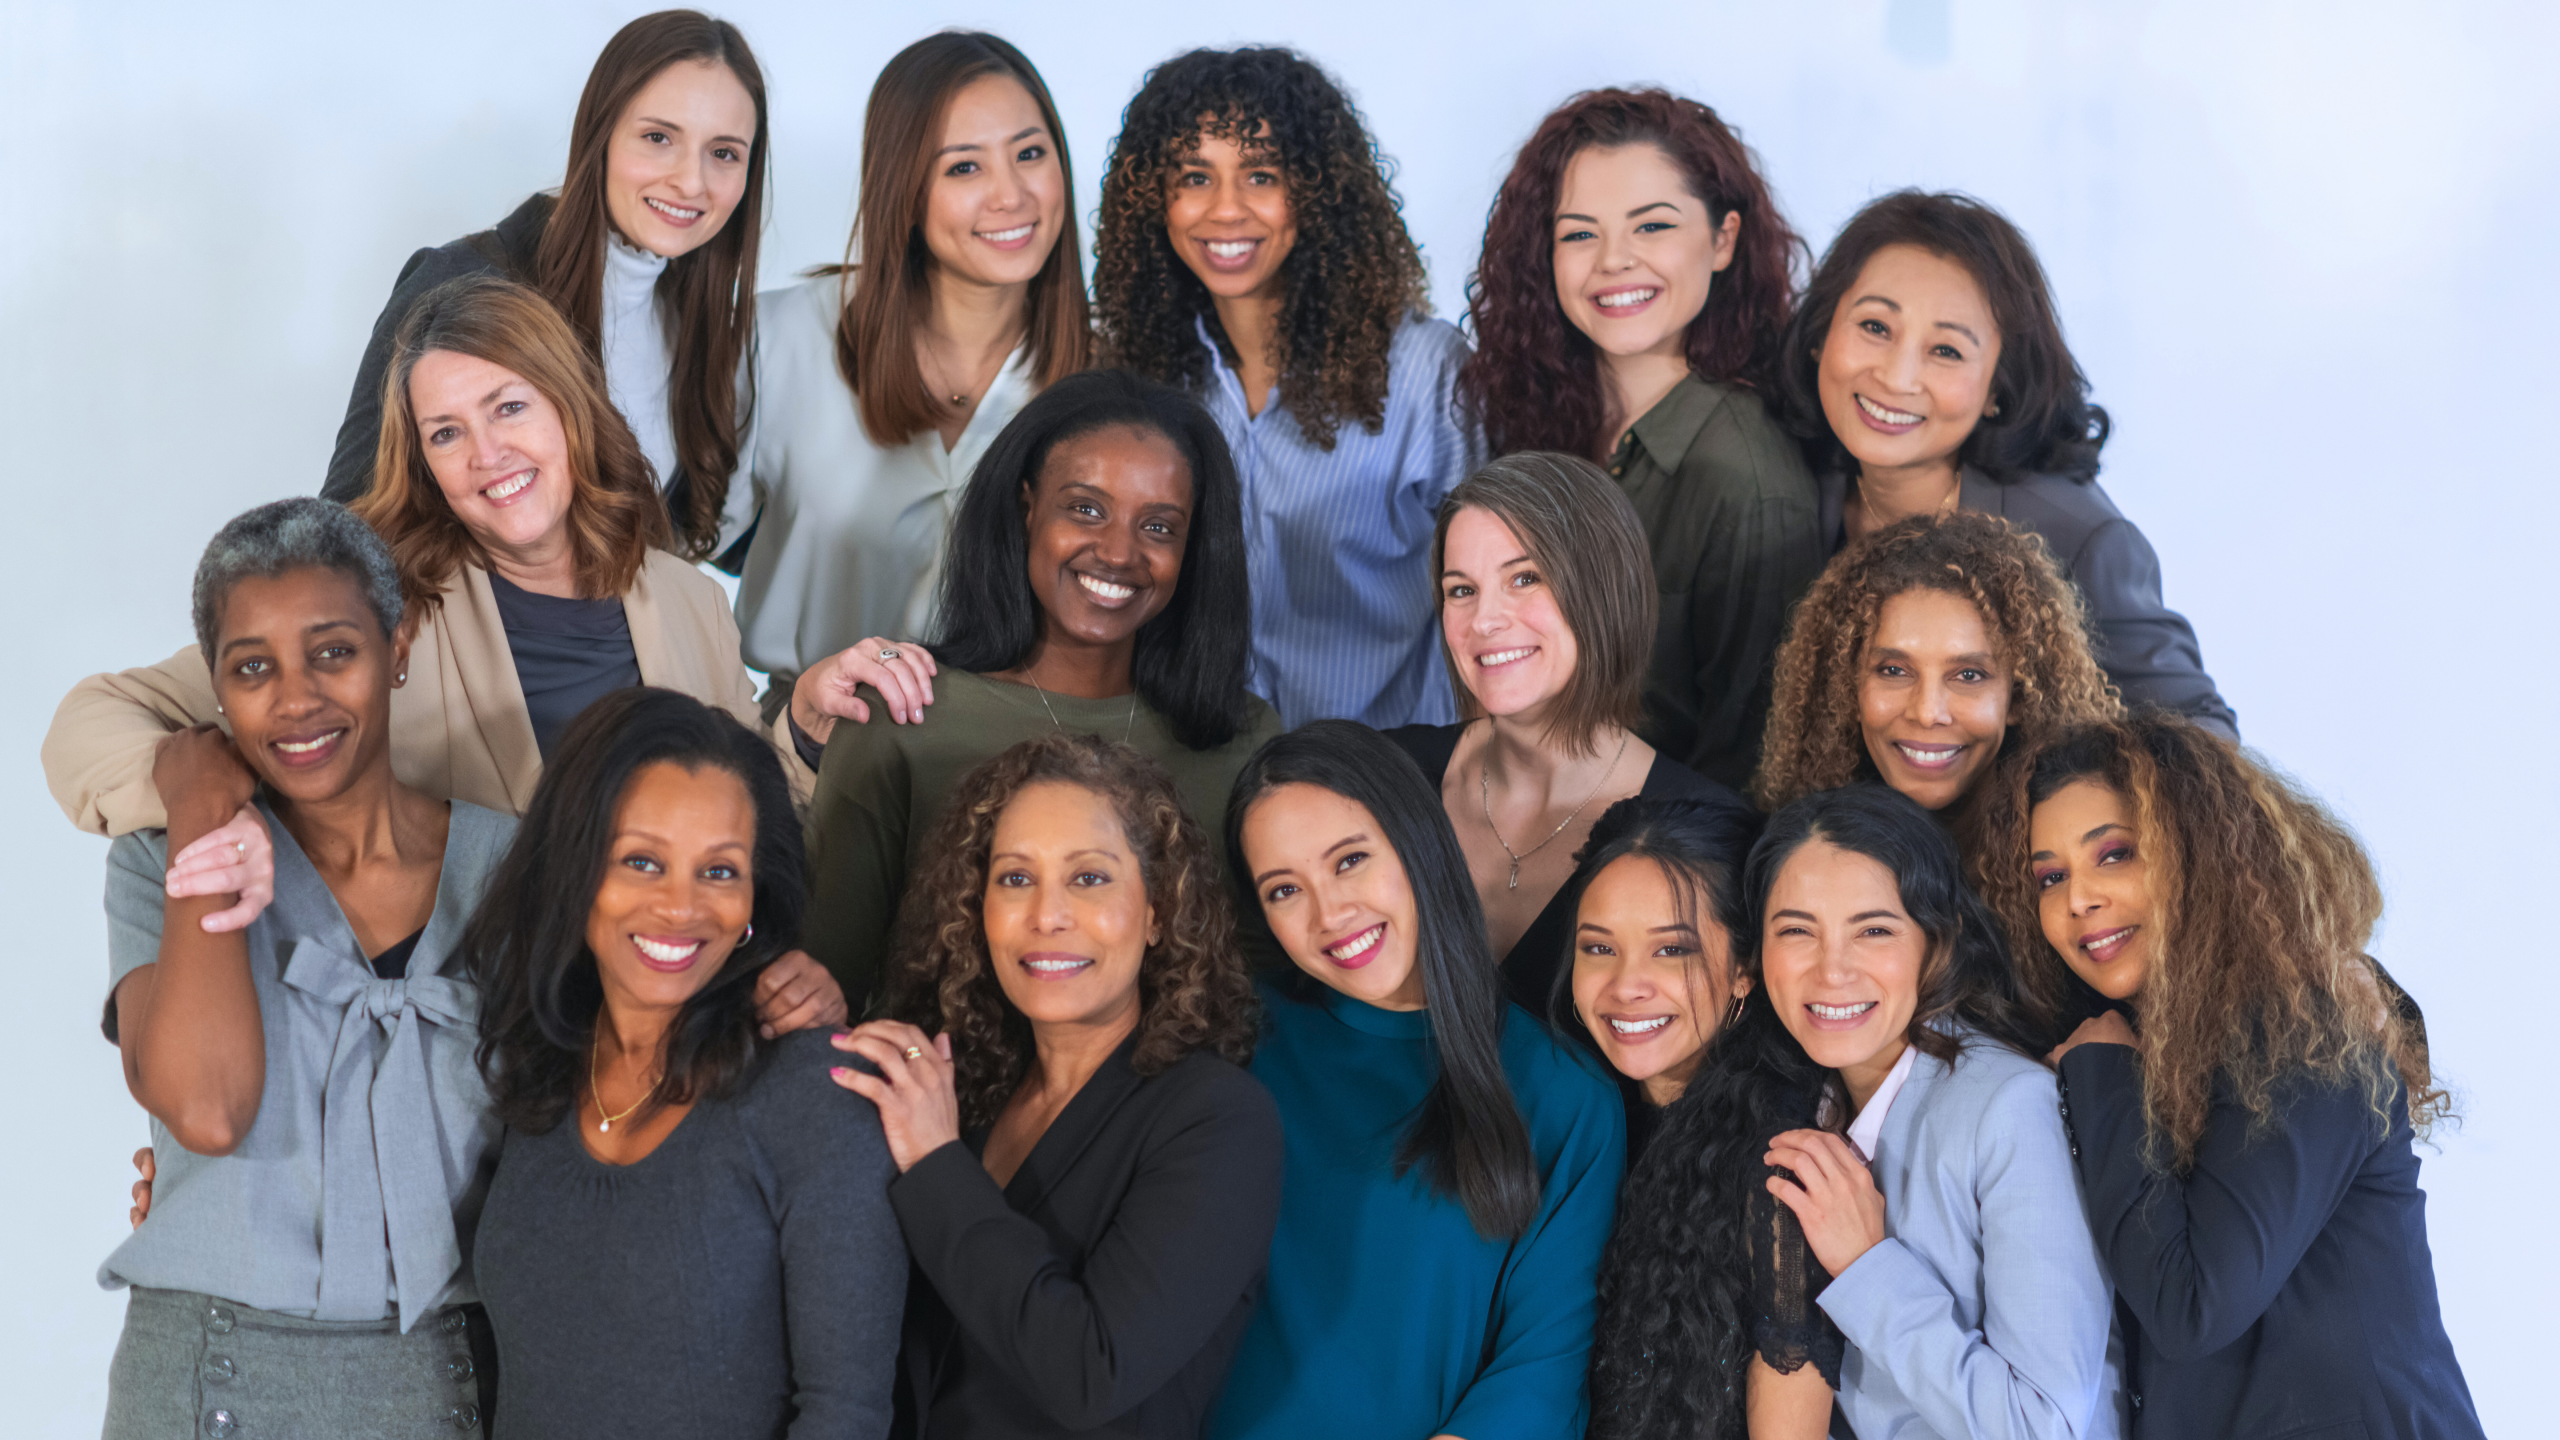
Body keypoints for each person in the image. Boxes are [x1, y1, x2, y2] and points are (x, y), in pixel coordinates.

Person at [46, 277, 846, 1032]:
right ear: (422, 459)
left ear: (569, 407)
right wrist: (213, 807)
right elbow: (94, 720)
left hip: (664, 1032)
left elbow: (746, 814)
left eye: (508, 408)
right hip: (467, 1052)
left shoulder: (687, 597)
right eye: (447, 433)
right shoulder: (377, 609)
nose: (487, 453)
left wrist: (804, 729)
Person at [96, 499, 511, 1437]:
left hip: (450, 1374)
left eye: (334, 651)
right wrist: (200, 805)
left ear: (396, 647)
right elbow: (206, 1110)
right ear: (216, 688)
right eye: (252, 669)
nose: (295, 700)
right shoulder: (154, 863)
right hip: (209, 1375)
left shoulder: (514, 870)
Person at [1974, 715, 2480, 1439]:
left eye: (2114, 854)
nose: (2078, 899)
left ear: (2195, 853)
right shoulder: (2145, 1047)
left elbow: (2192, 1307)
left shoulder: (2303, 1034)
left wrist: (2104, 1075)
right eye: (2050, 877)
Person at [468, 687, 904, 1437]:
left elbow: (847, 1414)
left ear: (755, 897)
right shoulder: (536, 1070)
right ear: (574, 868)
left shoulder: (815, 1092)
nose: (681, 907)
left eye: (720, 871)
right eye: (641, 861)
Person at [830, 733, 1283, 1438]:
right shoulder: (964, 1092)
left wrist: (935, 1163)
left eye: (1090, 878)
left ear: (1159, 910)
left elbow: (1090, 1374)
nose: (1046, 915)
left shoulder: (1218, 1120)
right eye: (1015, 878)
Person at [802, 370, 1282, 1007]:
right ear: (1027, 506)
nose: (1117, 552)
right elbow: (821, 992)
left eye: (1159, 527)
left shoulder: (1243, 740)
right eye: (1085, 508)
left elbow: (1256, 1000)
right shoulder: (905, 714)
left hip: (1173, 1104)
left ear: (1195, 549)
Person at [1212, 720, 1626, 1440]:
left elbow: (1541, 1369)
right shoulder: (1233, 1043)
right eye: (1284, 890)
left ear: (1417, 842)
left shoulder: (1564, 1093)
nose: (1329, 914)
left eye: (1349, 861)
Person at [1094, 46, 1481, 729]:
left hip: (1390, 779)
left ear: (1318, 191)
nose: (1225, 210)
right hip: (1196, 773)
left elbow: (1493, 610)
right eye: (1194, 176)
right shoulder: (1135, 374)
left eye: (1261, 175)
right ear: (1156, 197)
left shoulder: (1428, 374)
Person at [1459, 88, 1819, 790]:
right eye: (1579, 234)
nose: (1614, 261)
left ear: (1723, 240)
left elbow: (1751, 768)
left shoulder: (1748, 481)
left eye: (1652, 227)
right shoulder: (1539, 435)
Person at [1772, 190, 2234, 735]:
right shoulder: (1787, 476)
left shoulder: (2077, 537)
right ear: (1820, 337)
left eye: (1946, 351)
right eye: (1875, 327)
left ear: (1996, 389)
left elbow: (2203, 736)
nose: (1896, 377)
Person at [731, 31, 1091, 718]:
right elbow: (671, 548)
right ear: (904, 185)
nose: (1011, 195)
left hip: (1020, 770)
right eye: (963, 168)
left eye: (1030, 154)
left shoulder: (1106, 378)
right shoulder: (780, 338)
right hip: (811, 749)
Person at [321, 10, 766, 562]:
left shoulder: (701, 327)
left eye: (723, 153)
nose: (692, 181)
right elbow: (344, 532)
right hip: (461, 644)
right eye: (658, 137)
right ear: (600, 134)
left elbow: (704, 542)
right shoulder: (465, 282)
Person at [1746, 784, 2120, 1440]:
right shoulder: (1799, 1107)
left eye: (1874, 930)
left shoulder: (2009, 1110)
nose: (1831, 970)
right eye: (1797, 931)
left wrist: (1867, 1265)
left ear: (1937, 944)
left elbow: (2045, 1426)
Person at [1387, 452, 1737, 1015]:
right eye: (1461, 590)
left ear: (1604, 589)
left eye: (1525, 578)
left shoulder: (1711, 831)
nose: (1484, 620)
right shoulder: (1392, 775)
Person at [1751, 511, 2121, 840]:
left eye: (1969, 675)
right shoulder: (1795, 852)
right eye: (1894, 671)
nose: (1927, 713)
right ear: (1847, 689)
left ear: (2019, 698)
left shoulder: (2072, 858)